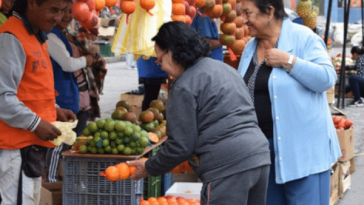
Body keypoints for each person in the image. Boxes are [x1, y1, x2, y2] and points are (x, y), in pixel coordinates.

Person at [128, 22, 271, 205]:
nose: (161, 67)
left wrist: (149, 167)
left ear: (172, 52)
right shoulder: (224, 69)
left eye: (160, 60)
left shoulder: (183, 86)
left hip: (227, 165)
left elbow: (180, 146)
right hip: (259, 156)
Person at [237, 0, 342, 204]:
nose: (244, 20)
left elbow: (327, 78)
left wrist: (289, 61)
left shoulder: (303, 37)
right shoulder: (250, 47)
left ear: (269, 12)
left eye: (248, 13)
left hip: (302, 151)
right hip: (262, 153)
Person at [0, 0, 76, 202]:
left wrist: (54, 109)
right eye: (53, 10)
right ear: (32, 3)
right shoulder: (11, 37)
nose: (59, 18)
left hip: (29, 146)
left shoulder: (36, 35)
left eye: (62, 11)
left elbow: (33, 87)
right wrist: (35, 123)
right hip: (15, 146)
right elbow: (2, 96)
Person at [44, 0, 94, 183]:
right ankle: (51, 182)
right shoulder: (49, 35)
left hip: (70, 93)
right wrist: (86, 60)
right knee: (58, 142)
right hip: (60, 95)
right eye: (59, 11)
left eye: (68, 11)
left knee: (68, 142)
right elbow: (67, 64)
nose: (66, 16)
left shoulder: (63, 34)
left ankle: (69, 181)